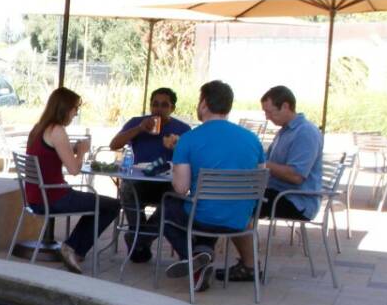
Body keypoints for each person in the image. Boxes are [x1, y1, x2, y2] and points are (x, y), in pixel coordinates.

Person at [161, 80, 265, 292]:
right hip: (240, 219)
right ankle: (202, 255)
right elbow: (262, 178)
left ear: (204, 104)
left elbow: (181, 188)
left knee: (168, 208)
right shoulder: (252, 139)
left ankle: (196, 260)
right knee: (212, 207)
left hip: (204, 217)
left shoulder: (188, 140)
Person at [219, 84, 325, 281]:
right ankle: (246, 262)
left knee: (236, 205)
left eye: (269, 111)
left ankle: (250, 266)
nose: (267, 117)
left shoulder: (305, 132)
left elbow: (296, 176)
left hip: (296, 200)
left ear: (285, 106)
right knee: (232, 196)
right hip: (276, 191)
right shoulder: (285, 131)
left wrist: (263, 164)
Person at [23, 87, 121, 275]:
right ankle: (72, 248)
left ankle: (74, 248)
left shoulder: (39, 128)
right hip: (54, 198)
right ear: (65, 108)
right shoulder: (57, 130)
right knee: (113, 205)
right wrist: (82, 151)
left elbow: (50, 156)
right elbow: (75, 170)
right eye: (75, 108)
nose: (76, 112)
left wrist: (72, 149)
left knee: (97, 205)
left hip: (35, 198)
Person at [107, 87, 192, 263]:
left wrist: (177, 147)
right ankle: (139, 238)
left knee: (173, 201)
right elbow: (114, 144)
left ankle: (137, 239)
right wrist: (139, 129)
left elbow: (193, 157)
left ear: (172, 108)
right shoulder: (137, 122)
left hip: (167, 183)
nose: (158, 109)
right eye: (155, 104)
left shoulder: (182, 129)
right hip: (140, 181)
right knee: (126, 188)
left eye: (164, 105)